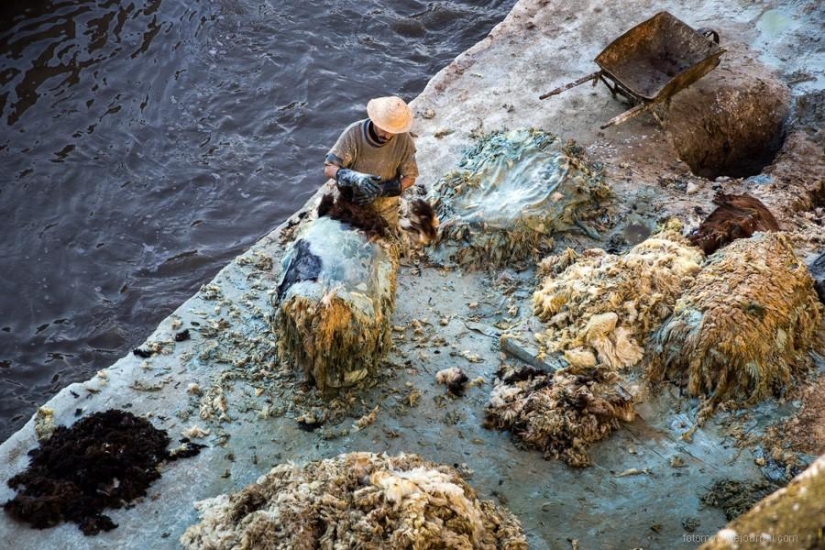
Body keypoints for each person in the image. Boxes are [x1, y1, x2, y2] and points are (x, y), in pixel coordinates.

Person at [323, 96, 418, 226]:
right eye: (384, 129)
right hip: (352, 201)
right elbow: (329, 168)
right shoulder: (354, 133)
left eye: (392, 132)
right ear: (375, 120)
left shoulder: (404, 141)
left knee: (383, 238)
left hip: (385, 206)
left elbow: (410, 178)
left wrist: (381, 190)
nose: (387, 136)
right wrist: (354, 177)